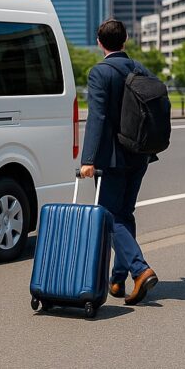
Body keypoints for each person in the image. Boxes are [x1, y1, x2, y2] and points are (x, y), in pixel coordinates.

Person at [79, 19, 158, 305]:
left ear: (100, 43)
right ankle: (117, 280)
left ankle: (139, 269)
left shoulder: (100, 72)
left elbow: (97, 118)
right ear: (125, 40)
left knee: (111, 216)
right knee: (125, 214)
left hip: (112, 158)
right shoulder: (140, 69)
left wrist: (88, 159)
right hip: (139, 153)